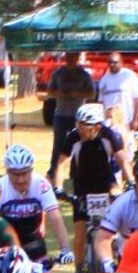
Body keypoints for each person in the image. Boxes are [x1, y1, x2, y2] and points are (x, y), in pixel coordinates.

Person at [65, 102, 126, 273]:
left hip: (106, 180)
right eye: (79, 124)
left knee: (119, 208)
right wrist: (58, 188)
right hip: (82, 183)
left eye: (84, 126)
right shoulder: (73, 137)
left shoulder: (111, 136)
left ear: (97, 127)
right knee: (80, 228)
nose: (80, 129)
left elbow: (123, 161)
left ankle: (117, 249)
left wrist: (131, 182)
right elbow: (60, 164)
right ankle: (78, 272)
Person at [0, 142, 72, 273]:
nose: (20, 180)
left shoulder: (41, 185)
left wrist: (65, 249)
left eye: (24, 173)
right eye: (15, 174)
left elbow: (55, 218)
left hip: (34, 244)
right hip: (7, 247)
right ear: (7, 172)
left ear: (31, 170)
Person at [44, 48, 97, 182]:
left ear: (78, 57)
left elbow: (92, 94)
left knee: (78, 144)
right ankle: (53, 171)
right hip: (61, 115)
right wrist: (60, 94)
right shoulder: (58, 74)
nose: (70, 58)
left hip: (78, 116)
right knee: (58, 145)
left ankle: (77, 172)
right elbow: (49, 91)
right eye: (68, 55)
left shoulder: (84, 75)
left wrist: (76, 94)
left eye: (73, 55)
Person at [97, 48, 138, 148]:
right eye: (110, 62)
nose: (112, 65)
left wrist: (135, 119)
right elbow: (101, 102)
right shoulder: (104, 79)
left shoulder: (129, 76)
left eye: (115, 62)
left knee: (126, 151)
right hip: (108, 123)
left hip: (125, 121)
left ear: (121, 62)